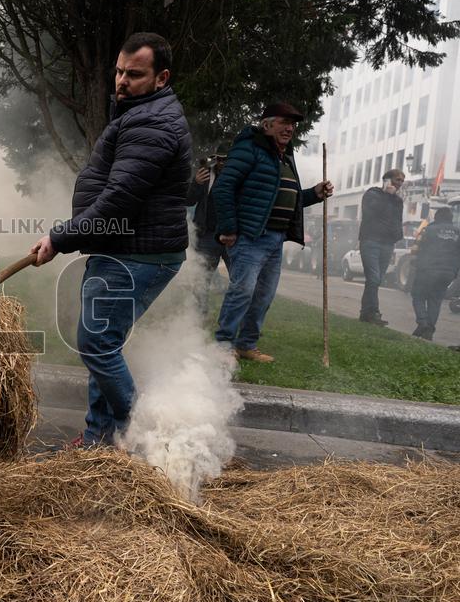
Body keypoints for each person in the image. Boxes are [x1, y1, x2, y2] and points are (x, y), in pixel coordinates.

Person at [29, 32, 191, 447]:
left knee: (96, 342)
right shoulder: (138, 114)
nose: (121, 81)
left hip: (136, 253)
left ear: (161, 77)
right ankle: (99, 437)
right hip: (123, 248)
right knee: (105, 343)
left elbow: (117, 201)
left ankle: (142, 438)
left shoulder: (151, 123)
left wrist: (60, 238)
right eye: (118, 72)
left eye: (134, 74)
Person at [212, 103, 334, 362]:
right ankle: (223, 345)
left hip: (275, 238)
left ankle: (246, 344)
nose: (289, 128)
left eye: (293, 124)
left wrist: (314, 194)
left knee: (264, 295)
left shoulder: (285, 157)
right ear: (267, 124)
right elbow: (223, 188)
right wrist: (228, 229)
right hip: (250, 236)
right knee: (242, 290)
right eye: (283, 122)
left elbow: (283, 198)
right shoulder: (250, 149)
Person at [357, 169, 406, 325]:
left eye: (402, 181)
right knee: (374, 278)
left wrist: (398, 236)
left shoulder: (398, 200)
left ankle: (366, 313)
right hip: (370, 241)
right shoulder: (372, 194)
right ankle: (373, 312)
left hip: (387, 244)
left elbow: (398, 220)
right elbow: (370, 213)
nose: (400, 183)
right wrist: (386, 194)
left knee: (375, 280)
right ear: (387, 180)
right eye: (397, 179)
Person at [187, 144, 231, 313]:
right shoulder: (206, 175)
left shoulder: (243, 176)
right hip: (208, 235)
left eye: (225, 159)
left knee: (239, 281)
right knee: (201, 279)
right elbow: (189, 200)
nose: (222, 163)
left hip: (233, 236)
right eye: (219, 159)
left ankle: (236, 323)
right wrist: (196, 183)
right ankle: (198, 317)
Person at [410, 206, 460, 341]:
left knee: (418, 296)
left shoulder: (428, 230)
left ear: (436, 217)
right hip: (448, 273)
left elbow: (415, 248)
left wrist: (415, 264)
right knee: (435, 300)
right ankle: (429, 330)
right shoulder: (458, 232)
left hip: (427, 269)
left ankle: (423, 323)